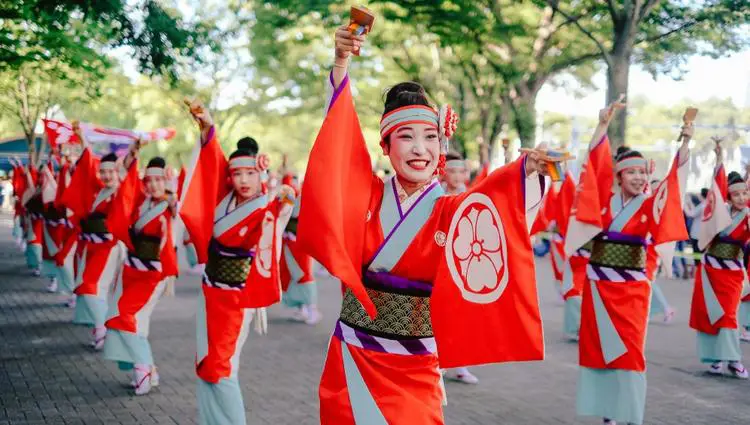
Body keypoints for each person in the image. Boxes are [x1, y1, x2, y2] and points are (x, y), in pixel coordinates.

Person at [297, 25, 548, 424]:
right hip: (354, 354)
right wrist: (341, 64)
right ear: (385, 146)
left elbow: (500, 210)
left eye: (430, 137)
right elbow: (337, 144)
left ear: (441, 146)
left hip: (415, 362)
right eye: (406, 137)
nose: (420, 148)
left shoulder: (453, 210)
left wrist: (528, 173)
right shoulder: (368, 195)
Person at [569, 106, 691, 425]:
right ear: (619, 175)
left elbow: (674, 181)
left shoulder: (650, 204)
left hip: (633, 291)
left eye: (643, 173)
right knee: (601, 350)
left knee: (631, 351)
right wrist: (601, 125)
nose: (639, 178)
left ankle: (631, 415)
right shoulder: (603, 206)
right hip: (598, 288)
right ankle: (610, 410)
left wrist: (685, 144)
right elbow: (592, 166)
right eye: (632, 173)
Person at [180, 100, 296, 425]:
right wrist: (206, 123)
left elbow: (285, 205)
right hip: (210, 290)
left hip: (238, 296)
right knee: (205, 361)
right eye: (237, 173)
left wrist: (285, 196)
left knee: (223, 365)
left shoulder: (267, 208)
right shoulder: (225, 197)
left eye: (250, 173)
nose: (243, 180)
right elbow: (211, 157)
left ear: (262, 173)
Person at [102, 140, 178, 396]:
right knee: (134, 321)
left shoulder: (170, 207)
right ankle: (148, 370)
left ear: (166, 181)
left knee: (127, 316)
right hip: (131, 270)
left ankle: (143, 368)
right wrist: (133, 153)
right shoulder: (141, 202)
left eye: (159, 180)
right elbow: (126, 182)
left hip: (153, 275)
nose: (154, 185)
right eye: (150, 180)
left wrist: (175, 199)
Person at [59, 127, 125, 350]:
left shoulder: (121, 192)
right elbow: (87, 165)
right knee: (89, 288)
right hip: (90, 246)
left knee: (90, 287)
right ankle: (103, 328)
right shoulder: (99, 191)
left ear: (118, 172)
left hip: (108, 247)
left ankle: (103, 327)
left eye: (110, 172)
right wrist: (81, 139)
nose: (106, 176)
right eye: (103, 172)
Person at [689, 143, 749, 379]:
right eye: (736, 194)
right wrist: (720, 157)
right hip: (710, 270)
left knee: (728, 316)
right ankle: (715, 359)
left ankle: (733, 359)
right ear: (728, 196)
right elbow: (717, 183)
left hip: (732, 272)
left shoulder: (748, 215)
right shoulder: (718, 211)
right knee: (710, 313)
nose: (742, 197)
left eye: (745, 193)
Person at [439, 152, 479, 385]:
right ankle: (438, 363)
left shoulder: (474, 197)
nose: (455, 175)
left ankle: (460, 365)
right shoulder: (437, 196)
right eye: (451, 170)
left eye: (460, 171)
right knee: (441, 315)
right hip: (441, 262)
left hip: (466, 264)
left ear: (466, 173)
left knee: (464, 317)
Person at [280, 174, 322, 326]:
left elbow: (290, 211)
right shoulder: (291, 195)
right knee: (292, 275)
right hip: (288, 240)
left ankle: (312, 309)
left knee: (303, 274)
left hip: (299, 241)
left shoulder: (300, 196)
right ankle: (302, 308)